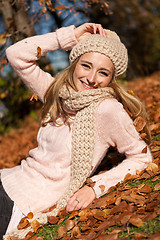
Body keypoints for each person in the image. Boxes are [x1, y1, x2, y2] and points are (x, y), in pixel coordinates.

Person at [1, 23, 152, 239]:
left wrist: (95, 188)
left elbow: (141, 156)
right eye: (86, 66)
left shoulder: (107, 109)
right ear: (75, 64)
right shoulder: (57, 93)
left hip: (21, 205)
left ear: (111, 79)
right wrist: (69, 37)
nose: (91, 78)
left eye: (103, 72)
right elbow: (15, 54)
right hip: (9, 179)